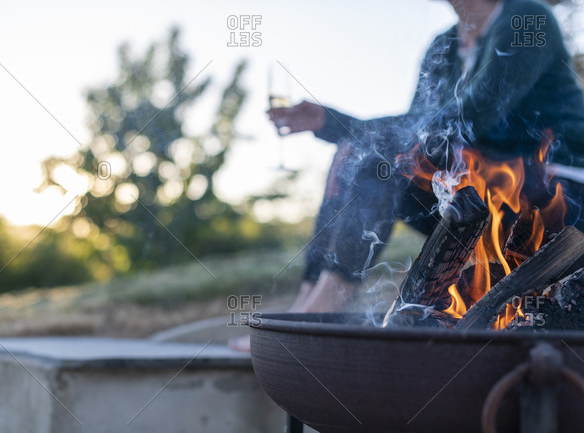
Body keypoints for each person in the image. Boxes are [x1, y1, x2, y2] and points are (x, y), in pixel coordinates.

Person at [228, 0, 584, 351]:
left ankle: (322, 311)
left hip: (556, 197)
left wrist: (342, 125)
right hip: (483, 195)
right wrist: (345, 132)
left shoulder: (528, 18)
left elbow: (476, 115)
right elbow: (419, 139)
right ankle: (307, 302)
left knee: (372, 153)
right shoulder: (443, 45)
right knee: (361, 158)